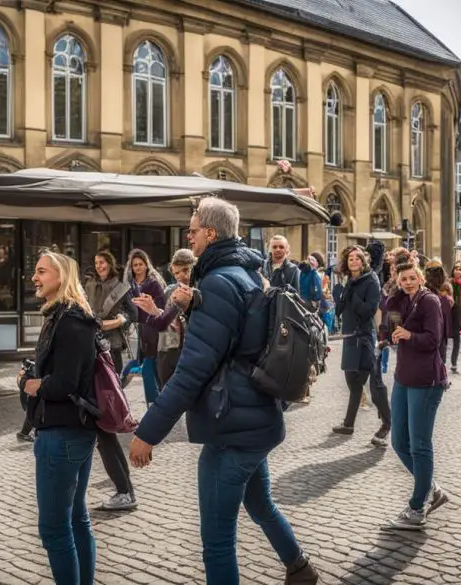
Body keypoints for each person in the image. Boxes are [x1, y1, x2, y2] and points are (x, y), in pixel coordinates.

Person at [128, 197, 319, 585]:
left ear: (211, 233)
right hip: (255, 417)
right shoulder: (248, 274)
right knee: (259, 502)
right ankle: (300, 569)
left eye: (193, 229)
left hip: (231, 425)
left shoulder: (217, 282)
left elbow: (192, 370)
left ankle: (301, 569)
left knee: (217, 539)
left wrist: (148, 432)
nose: (189, 235)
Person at [17, 252, 101, 585]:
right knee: (77, 518)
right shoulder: (67, 316)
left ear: (60, 276)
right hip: (72, 431)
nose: (34, 278)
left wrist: (33, 384)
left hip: (62, 434)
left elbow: (66, 382)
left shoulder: (70, 320)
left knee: (53, 528)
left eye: (41, 272)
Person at [384, 261, 450, 529]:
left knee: (419, 445)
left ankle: (417, 508)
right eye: (403, 279)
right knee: (399, 442)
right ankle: (432, 488)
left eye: (412, 278)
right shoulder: (401, 301)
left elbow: (435, 340)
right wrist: (393, 305)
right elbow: (389, 325)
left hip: (426, 379)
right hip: (403, 377)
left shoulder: (430, 302)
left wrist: (410, 335)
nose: (408, 282)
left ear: (420, 278)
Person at [82, 251, 138, 512]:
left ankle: (125, 490)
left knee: (105, 420)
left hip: (110, 349)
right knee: (103, 431)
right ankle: (124, 489)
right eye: (96, 263)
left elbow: (131, 315)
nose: (99, 265)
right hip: (91, 347)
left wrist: (115, 321)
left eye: (102, 262)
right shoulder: (89, 284)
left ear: (110, 264)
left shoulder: (121, 287)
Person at [332, 245, 390, 446]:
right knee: (353, 383)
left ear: (363, 261)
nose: (354, 261)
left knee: (375, 386)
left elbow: (368, 311)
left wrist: (352, 297)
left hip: (364, 338)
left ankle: (387, 424)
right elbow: (339, 310)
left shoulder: (371, 280)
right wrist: (339, 294)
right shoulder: (350, 281)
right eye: (350, 259)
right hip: (350, 338)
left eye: (357, 258)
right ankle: (348, 425)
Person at [132, 248, 196, 386]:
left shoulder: (200, 290)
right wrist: (153, 310)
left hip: (190, 352)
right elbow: (163, 319)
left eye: (185, 270)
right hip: (167, 350)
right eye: (176, 273)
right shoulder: (170, 291)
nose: (181, 276)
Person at [125, 248, 165, 407]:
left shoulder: (153, 284)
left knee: (150, 363)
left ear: (146, 265)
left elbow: (161, 307)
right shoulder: (131, 284)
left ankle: (155, 400)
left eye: (141, 264)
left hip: (152, 328)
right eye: (135, 265)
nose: (138, 267)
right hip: (136, 329)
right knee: (140, 362)